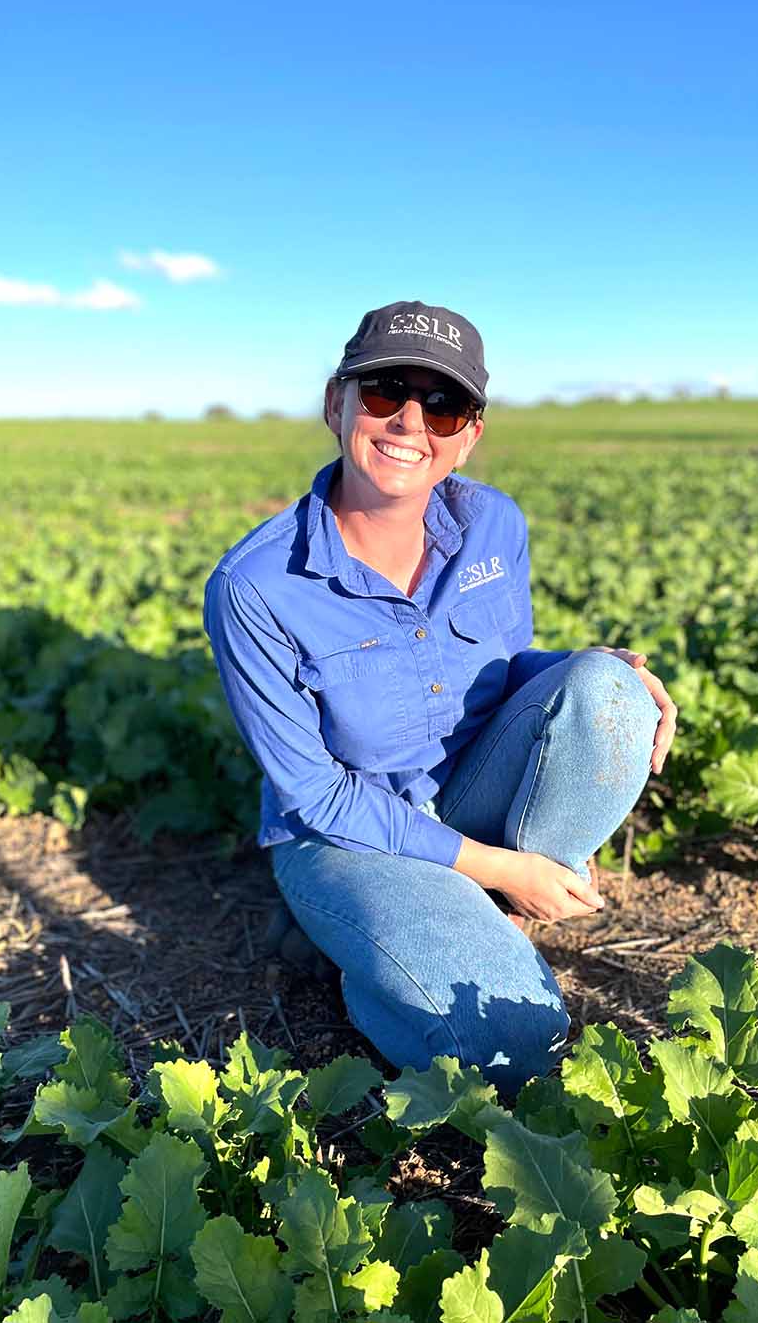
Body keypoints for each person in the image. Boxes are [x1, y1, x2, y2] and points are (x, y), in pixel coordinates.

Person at [204, 301, 677, 1095]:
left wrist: (602, 669)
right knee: (514, 1044)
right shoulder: (253, 587)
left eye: (443, 404)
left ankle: (485, 914)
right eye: (386, 392)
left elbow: (505, 671)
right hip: (345, 839)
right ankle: (375, 964)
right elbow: (315, 793)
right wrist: (499, 864)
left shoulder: (493, 522)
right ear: (337, 404)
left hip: (467, 792)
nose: (409, 423)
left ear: (469, 434)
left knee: (608, 687)